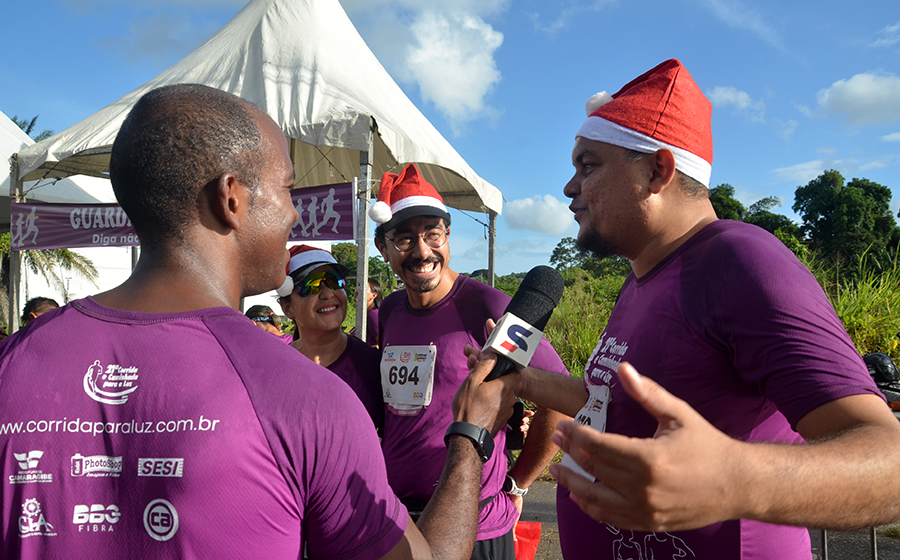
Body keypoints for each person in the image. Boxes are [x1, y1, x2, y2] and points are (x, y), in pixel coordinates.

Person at [0, 83, 519, 559]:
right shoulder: (304, 397)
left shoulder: (12, 362)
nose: (294, 214)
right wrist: (469, 436)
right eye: (287, 188)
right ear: (232, 199)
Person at [466, 59, 900, 559]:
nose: (569, 187)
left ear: (658, 170)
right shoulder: (642, 277)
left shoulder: (741, 262)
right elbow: (612, 399)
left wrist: (734, 481)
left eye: (588, 166)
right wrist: (521, 380)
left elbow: (887, 462)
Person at [370, 163, 571, 559]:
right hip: (400, 519)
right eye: (405, 238)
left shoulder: (490, 307)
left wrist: (519, 482)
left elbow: (559, 400)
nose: (422, 251)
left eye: (433, 234)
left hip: (478, 523)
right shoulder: (389, 310)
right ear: (383, 247)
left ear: (448, 235)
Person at [278, 244, 384, 433]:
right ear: (288, 309)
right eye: (311, 285)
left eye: (334, 281)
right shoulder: (275, 369)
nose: (328, 294)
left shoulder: (372, 365)